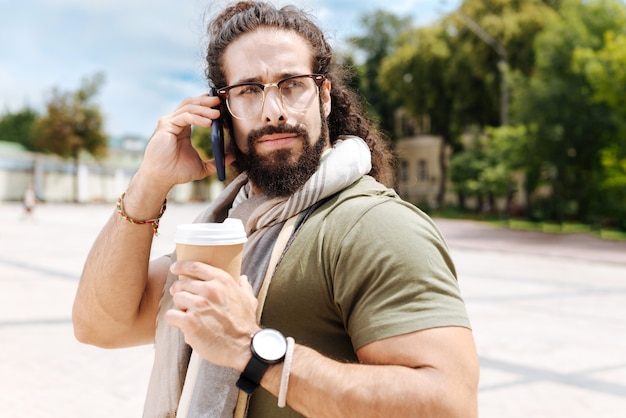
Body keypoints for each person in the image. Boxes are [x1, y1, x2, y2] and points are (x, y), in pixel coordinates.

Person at [72, 2, 479, 417]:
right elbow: (101, 325)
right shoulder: (232, 227)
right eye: (249, 90)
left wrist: (250, 348)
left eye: (292, 84)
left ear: (323, 97)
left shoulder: (373, 225)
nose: (273, 110)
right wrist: (148, 182)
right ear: (221, 113)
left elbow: (449, 404)